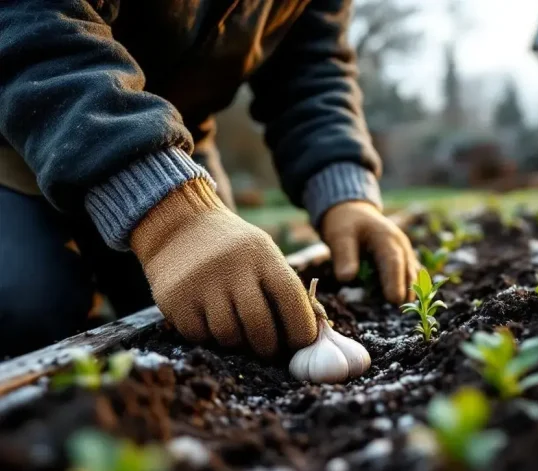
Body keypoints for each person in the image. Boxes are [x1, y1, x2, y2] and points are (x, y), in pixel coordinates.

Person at [0, 0, 419, 357]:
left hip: (175, 143)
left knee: (232, 322)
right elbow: (30, 20)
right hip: (13, 133)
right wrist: (171, 219)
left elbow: (312, 66)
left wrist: (344, 190)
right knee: (30, 307)